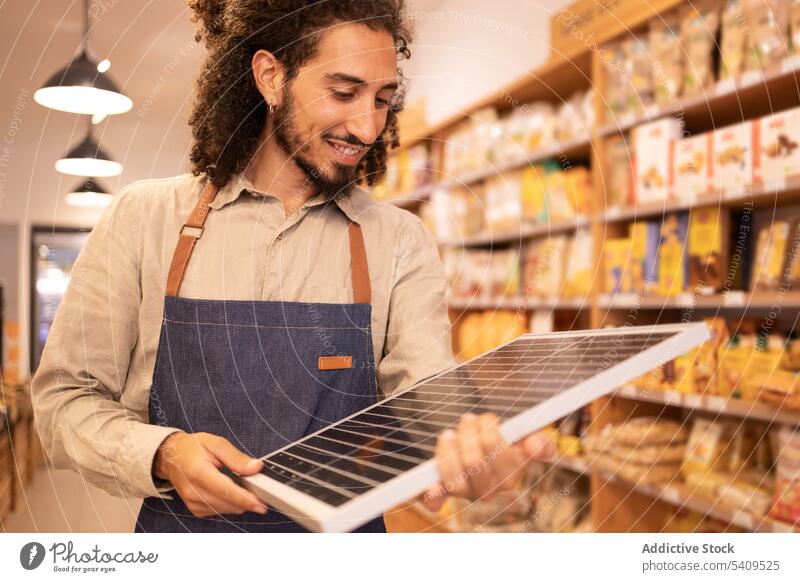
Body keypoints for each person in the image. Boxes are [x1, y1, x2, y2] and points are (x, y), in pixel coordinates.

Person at [32, 0, 555, 533]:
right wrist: (163, 452)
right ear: (270, 76)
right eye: (344, 92)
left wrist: (466, 445)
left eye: (382, 99)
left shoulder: (398, 241)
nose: (368, 126)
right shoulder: (143, 220)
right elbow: (64, 400)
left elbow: (427, 393)